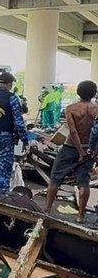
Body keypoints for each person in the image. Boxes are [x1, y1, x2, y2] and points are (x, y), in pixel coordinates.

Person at [45, 80, 98, 224]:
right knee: (84, 181)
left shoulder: (71, 108)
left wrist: (80, 151)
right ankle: (80, 216)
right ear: (94, 93)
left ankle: (47, 211)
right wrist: (93, 151)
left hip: (70, 148)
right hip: (89, 148)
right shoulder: (96, 110)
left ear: (78, 93)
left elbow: (73, 132)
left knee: (55, 178)